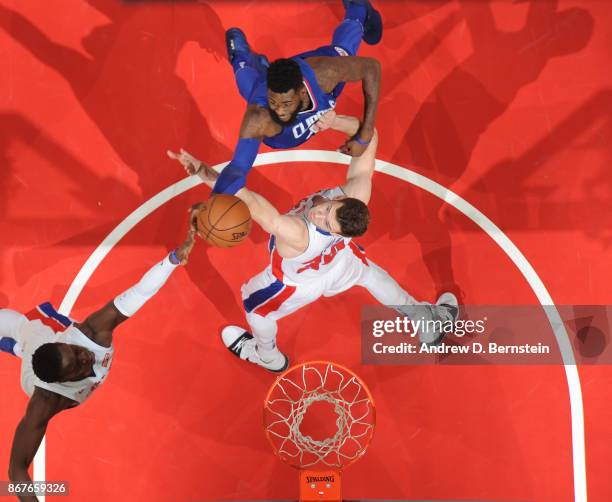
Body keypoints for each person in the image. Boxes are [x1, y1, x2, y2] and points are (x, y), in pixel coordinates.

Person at [169, 111, 459, 372]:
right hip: (338, 259)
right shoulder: (357, 194)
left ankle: (267, 357)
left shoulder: (297, 232)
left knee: (255, 308)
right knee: (371, 274)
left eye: (325, 221)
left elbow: (250, 200)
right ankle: (427, 319)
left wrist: (202, 172)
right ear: (344, 199)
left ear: (338, 232)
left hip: (297, 283)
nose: (319, 213)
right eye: (328, 210)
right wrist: (335, 122)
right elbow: (369, 136)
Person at [1, 218, 198, 500]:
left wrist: (174, 259)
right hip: (35, 363)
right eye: (79, 362)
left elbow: (138, 293)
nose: (85, 355)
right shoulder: (44, 402)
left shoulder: (88, 336)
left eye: (76, 351)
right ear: (64, 379)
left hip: (46, 336)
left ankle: (17, 347)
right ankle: (17, 348)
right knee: (23, 336)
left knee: (36, 326)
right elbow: (16, 471)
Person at [210, 0, 383, 195]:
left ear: (301, 93)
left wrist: (365, 134)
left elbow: (371, 68)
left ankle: (357, 9)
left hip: (315, 76)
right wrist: (214, 201)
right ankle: (242, 58)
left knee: (343, 51)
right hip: (278, 132)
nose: (280, 111)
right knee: (249, 87)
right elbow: (238, 168)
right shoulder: (260, 115)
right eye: (273, 102)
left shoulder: (325, 73)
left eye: (286, 103)